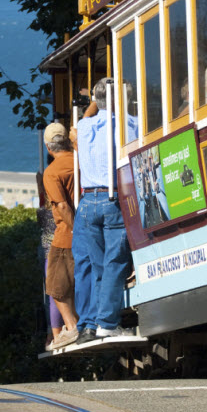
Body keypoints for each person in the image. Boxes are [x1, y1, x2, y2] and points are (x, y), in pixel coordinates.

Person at [73, 78, 137, 343]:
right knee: (115, 262)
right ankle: (108, 323)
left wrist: (101, 100)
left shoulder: (83, 126)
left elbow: (93, 111)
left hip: (87, 201)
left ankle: (93, 323)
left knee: (98, 264)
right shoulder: (128, 125)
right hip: (112, 199)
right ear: (119, 100)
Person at [42, 122, 79, 349]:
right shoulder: (79, 161)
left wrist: (76, 229)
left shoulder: (52, 172)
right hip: (91, 226)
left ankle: (71, 326)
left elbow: (63, 206)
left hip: (67, 233)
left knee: (55, 285)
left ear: (48, 147)